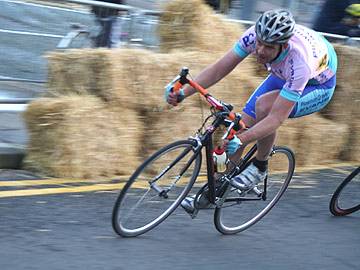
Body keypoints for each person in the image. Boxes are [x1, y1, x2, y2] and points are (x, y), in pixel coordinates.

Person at [165, 9, 338, 213]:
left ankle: (259, 167)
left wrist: (245, 139)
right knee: (236, 131)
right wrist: (184, 93)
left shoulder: (299, 63)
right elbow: (219, 69)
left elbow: (276, 118)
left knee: (263, 108)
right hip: (283, 73)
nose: (260, 51)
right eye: (260, 43)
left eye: (268, 47)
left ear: (283, 45)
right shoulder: (253, 37)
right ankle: (211, 192)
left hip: (317, 85)